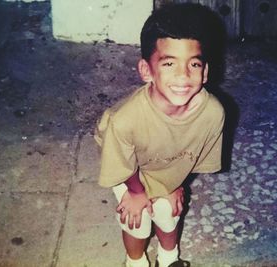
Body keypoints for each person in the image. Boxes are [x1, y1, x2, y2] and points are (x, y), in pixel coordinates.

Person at [94, 3, 225, 267]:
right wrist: (137, 192)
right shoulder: (124, 120)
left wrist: (176, 185)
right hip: (129, 168)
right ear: (146, 71)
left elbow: (194, 158)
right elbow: (123, 164)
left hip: (166, 166)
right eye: (168, 63)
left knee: (168, 213)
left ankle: (169, 258)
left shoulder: (213, 113)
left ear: (206, 71)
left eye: (194, 64)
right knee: (138, 219)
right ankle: (135, 261)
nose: (183, 75)